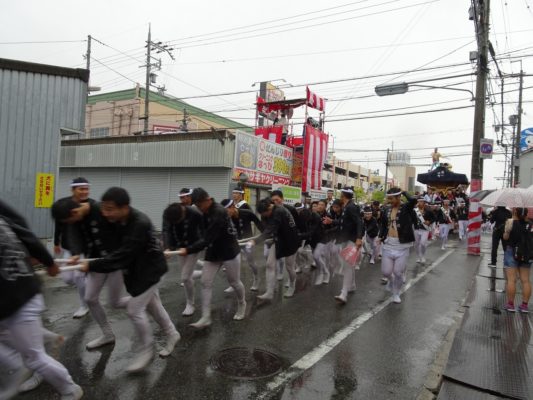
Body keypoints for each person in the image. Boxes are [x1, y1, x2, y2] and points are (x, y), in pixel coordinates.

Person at [80, 188, 180, 372]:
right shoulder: (117, 219)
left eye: (109, 209)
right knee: (151, 305)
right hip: (135, 270)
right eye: (104, 208)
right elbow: (112, 246)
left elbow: (123, 255)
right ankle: (172, 334)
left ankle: (147, 350)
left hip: (151, 271)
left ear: (124, 207)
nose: (105, 213)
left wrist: (92, 266)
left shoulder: (139, 223)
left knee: (135, 309)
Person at [0, 199, 83, 400]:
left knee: (34, 358)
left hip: (14, 295)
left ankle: (70, 390)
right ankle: (37, 346)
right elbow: (21, 227)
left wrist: (46, 259)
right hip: (19, 288)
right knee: (15, 340)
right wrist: (43, 258)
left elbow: (20, 227)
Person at [51, 198, 130, 351]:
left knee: (115, 302)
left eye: (69, 220)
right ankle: (108, 335)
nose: (70, 224)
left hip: (115, 262)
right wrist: (76, 254)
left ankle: (144, 300)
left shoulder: (102, 211)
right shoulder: (75, 219)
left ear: (74, 212)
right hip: (95, 263)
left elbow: (121, 233)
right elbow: (76, 238)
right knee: (90, 298)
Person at [178, 188, 246, 329]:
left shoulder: (219, 212)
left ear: (208, 200)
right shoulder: (202, 211)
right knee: (205, 282)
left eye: (200, 205)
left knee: (234, 282)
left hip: (229, 251)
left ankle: (242, 302)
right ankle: (205, 317)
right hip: (213, 252)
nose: (199, 208)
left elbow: (207, 238)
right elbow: (199, 232)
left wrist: (188, 249)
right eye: (196, 205)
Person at [53, 177, 91, 319]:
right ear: (73, 190)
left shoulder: (90, 206)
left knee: (79, 276)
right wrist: (56, 243)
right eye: (81, 189)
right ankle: (89, 283)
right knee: (67, 278)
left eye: (86, 189)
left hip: (85, 249)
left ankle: (84, 305)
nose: (84, 192)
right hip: (69, 247)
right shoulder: (64, 205)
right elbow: (59, 225)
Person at [162, 202, 204, 316]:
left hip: (194, 246)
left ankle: (190, 304)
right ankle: (206, 272)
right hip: (180, 247)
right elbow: (166, 231)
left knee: (185, 277)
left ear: (183, 212)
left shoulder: (195, 214)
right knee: (187, 275)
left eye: (178, 220)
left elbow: (204, 235)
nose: (176, 223)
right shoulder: (168, 214)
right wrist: (167, 247)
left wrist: (189, 249)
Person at [254, 198, 301, 300]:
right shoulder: (267, 212)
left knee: (289, 267)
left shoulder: (279, 211)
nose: (264, 216)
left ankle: (292, 284)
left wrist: (255, 241)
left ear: (269, 208)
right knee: (270, 265)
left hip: (291, 241)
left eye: (264, 213)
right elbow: (267, 228)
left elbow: (271, 229)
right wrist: (265, 237)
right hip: (279, 240)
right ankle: (269, 292)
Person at [324, 187, 363, 304]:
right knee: (349, 265)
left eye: (341, 194)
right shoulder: (346, 207)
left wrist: (359, 238)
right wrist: (332, 221)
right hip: (345, 239)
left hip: (352, 240)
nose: (340, 196)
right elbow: (343, 222)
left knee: (347, 265)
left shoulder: (351, 207)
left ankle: (344, 293)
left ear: (343, 196)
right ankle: (352, 285)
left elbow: (359, 222)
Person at [378, 188, 416, 304]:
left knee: (398, 272)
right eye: (388, 198)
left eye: (391, 198)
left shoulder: (406, 208)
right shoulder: (386, 209)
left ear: (398, 197)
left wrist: (404, 192)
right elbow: (384, 225)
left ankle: (396, 293)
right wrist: (381, 236)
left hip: (402, 245)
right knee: (386, 272)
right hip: (389, 244)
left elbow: (413, 200)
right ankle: (391, 281)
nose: (389, 200)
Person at [221, 198, 263, 291]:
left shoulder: (247, 213)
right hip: (236, 242)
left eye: (226, 211)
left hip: (248, 242)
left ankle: (256, 279)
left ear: (232, 207)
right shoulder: (227, 217)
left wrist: (265, 235)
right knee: (234, 263)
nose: (226, 214)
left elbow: (259, 224)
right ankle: (234, 284)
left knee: (251, 263)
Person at [502, 208, 532, 313]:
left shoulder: (510, 222)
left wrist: (507, 231)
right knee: (525, 280)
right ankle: (524, 306)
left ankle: (510, 305)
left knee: (511, 280)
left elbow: (505, 238)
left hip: (511, 252)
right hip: (526, 253)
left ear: (515, 212)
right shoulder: (531, 225)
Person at [413, 197, 435, 264]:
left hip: (425, 229)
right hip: (416, 229)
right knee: (416, 244)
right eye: (419, 202)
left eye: (422, 202)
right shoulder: (414, 210)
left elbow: (434, 218)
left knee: (423, 243)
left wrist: (429, 222)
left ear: (424, 202)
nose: (420, 203)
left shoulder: (428, 210)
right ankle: (418, 256)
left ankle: (422, 256)